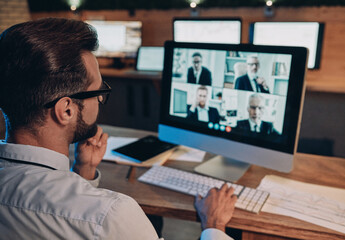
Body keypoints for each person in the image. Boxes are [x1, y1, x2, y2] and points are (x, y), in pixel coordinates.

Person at [0, 18, 237, 240]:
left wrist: (83, 172)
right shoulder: (112, 214)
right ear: (67, 110)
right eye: (99, 92)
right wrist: (213, 226)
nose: (101, 101)